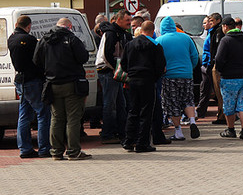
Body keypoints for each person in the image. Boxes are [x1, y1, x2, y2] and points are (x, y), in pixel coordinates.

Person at [33, 18, 91, 161]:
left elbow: (36, 60)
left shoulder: (44, 40)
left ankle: (56, 151)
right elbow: (83, 57)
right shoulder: (72, 39)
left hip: (52, 84)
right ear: (69, 26)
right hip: (72, 83)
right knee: (73, 118)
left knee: (56, 118)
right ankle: (73, 151)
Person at [120, 21, 166, 152]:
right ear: (152, 31)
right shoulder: (155, 45)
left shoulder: (130, 44)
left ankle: (129, 140)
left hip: (133, 80)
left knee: (133, 110)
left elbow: (123, 64)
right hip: (148, 80)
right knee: (146, 112)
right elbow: (161, 66)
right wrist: (154, 78)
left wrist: (131, 73)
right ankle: (142, 143)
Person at [8, 15, 50, 158]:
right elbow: (38, 58)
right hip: (32, 80)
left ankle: (25, 149)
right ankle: (44, 149)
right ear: (28, 26)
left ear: (16, 24)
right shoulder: (30, 40)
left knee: (24, 115)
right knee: (43, 113)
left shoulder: (11, 39)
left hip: (20, 79)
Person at [156, 16, 200, 141]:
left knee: (173, 102)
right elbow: (195, 56)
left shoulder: (160, 40)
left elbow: (158, 60)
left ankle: (178, 131)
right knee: (188, 99)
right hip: (186, 74)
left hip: (169, 76)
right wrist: (189, 68)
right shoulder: (186, 38)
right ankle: (192, 121)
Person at [214, 17, 243, 139]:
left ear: (225, 27)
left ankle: (231, 129)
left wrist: (221, 69)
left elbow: (218, 59)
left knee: (229, 105)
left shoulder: (226, 40)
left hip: (228, 77)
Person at [95, 9, 133, 143]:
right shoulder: (111, 34)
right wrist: (115, 69)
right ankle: (107, 134)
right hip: (108, 71)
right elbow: (107, 54)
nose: (130, 23)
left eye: (130, 20)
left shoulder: (121, 33)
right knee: (110, 104)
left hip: (114, 71)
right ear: (119, 20)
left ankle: (120, 132)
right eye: (127, 20)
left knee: (120, 103)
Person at [196, 13, 221, 118]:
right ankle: (201, 111)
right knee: (205, 89)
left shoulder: (215, 33)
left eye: (210, 21)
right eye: (207, 22)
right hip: (206, 64)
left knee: (211, 89)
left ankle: (201, 111)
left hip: (209, 65)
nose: (207, 24)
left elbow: (212, 50)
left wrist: (210, 63)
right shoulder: (210, 33)